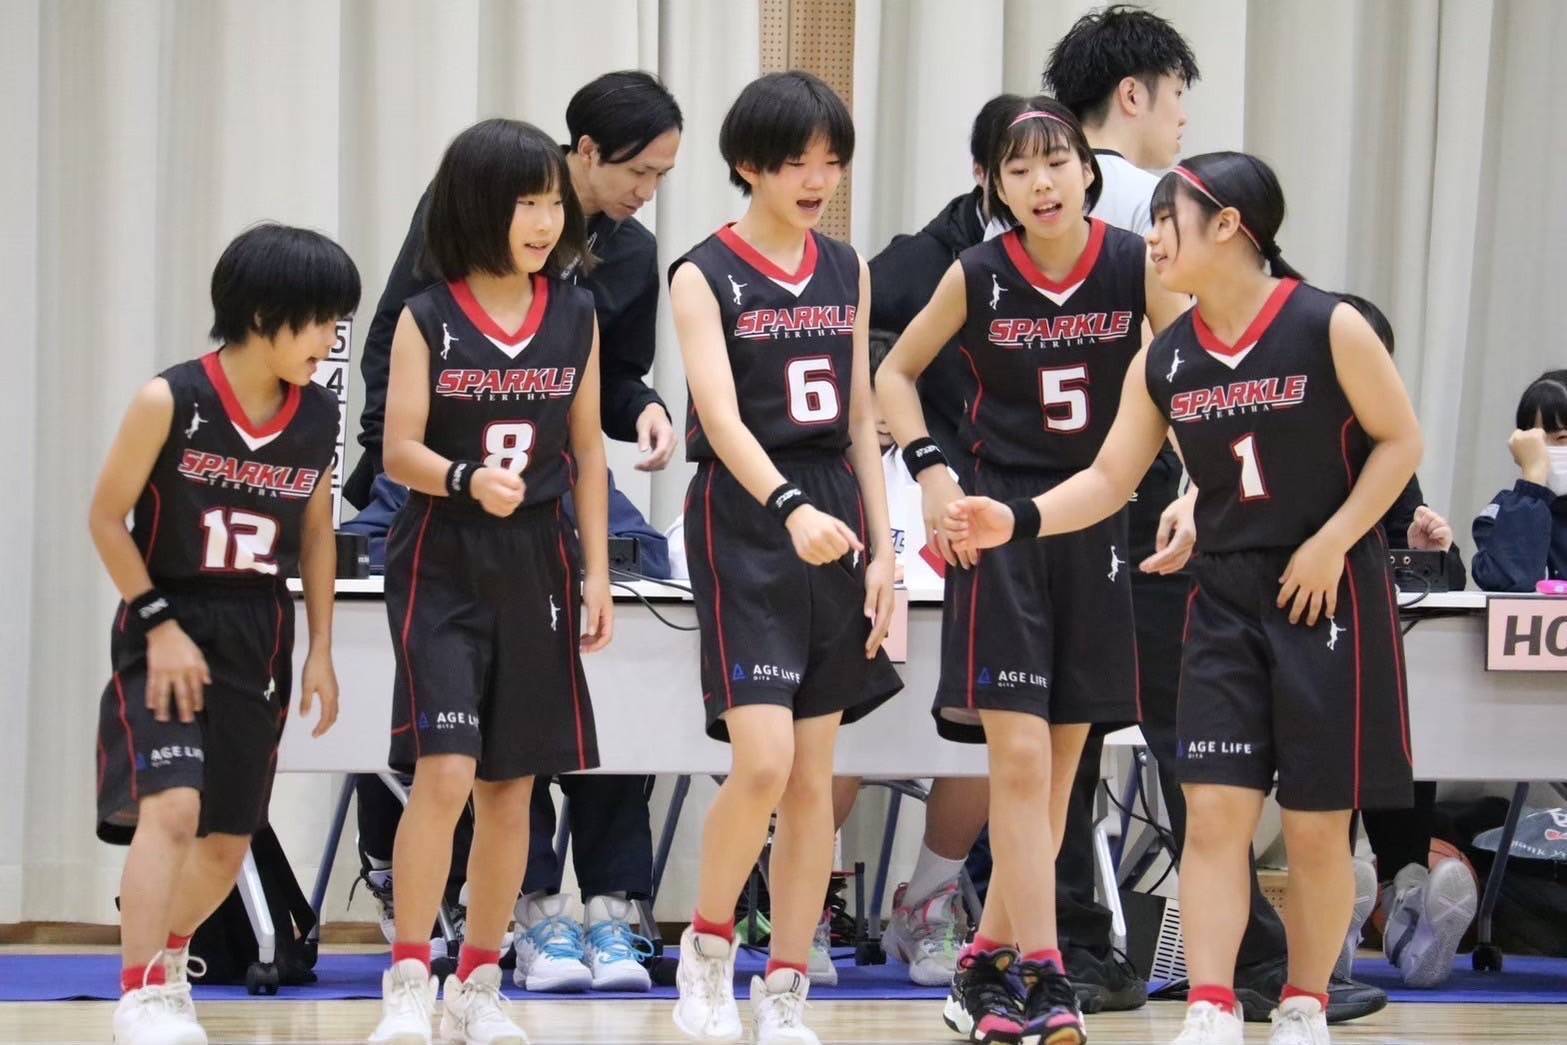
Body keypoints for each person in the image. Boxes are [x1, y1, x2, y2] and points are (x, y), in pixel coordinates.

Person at [942, 151, 1425, 1045]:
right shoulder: (1165, 356)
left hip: (1324, 593)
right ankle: (1209, 1004)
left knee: (1316, 827)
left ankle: (1303, 1003)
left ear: (1228, 226)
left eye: (1167, 220)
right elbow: (1107, 479)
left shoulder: (1326, 324)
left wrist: (1331, 540)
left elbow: (1400, 442)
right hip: (1223, 599)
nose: (1152, 237)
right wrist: (1014, 518)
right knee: (1211, 814)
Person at [348, 70, 682, 996]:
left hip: (541, 505)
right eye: (638, 171)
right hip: (436, 496)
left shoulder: (611, 271)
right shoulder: (448, 265)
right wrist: (433, 468)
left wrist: (646, 411)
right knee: (445, 758)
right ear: (586, 153)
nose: (646, 191)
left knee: (638, 577)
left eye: (663, 176)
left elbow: (598, 413)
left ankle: (594, 907)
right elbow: (394, 382)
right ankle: (427, 933)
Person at [878, 98, 1187, 1045]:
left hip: (1097, 522)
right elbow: (893, 374)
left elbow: (1189, 378)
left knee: (1057, 779)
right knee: (1017, 759)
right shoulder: (977, 273)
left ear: (1088, 171)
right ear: (995, 188)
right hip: (997, 523)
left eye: (1055, 162)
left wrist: (1194, 487)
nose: (1040, 183)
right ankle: (1045, 973)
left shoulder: (1135, 265)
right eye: (1018, 170)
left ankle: (981, 964)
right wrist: (931, 472)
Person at [668, 71, 901, 1045]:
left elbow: (859, 414)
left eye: (831, 161)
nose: (817, 179)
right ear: (748, 165)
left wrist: (884, 550)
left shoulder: (847, 268)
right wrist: (789, 505)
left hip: (834, 512)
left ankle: (787, 987)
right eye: (798, 161)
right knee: (762, 760)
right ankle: (707, 948)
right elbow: (719, 417)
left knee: (814, 779)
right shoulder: (701, 273)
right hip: (747, 514)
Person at [368, 118, 611, 1045]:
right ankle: (407, 979)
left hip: (539, 559)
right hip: (442, 554)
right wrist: (465, 477)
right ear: (477, 208)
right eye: (525, 204)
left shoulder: (576, 312)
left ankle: (478, 983)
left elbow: (588, 452)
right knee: (445, 771)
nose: (545, 222)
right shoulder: (427, 316)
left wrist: (595, 572)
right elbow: (397, 449)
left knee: (512, 788)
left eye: (552, 202)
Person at [89, 223, 357, 1045]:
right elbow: (105, 518)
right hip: (168, 616)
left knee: (227, 840)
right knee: (172, 808)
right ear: (264, 312)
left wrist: (321, 647)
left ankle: (171, 960)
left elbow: (317, 533)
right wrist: (159, 623)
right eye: (320, 320)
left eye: (337, 323)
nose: (329, 339)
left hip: (259, 626)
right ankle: (139, 991)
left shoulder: (317, 414)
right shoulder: (169, 399)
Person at [803, 92, 1027, 992]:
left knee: (986, 727)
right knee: (837, 733)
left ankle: (927, 900)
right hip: (859, 597)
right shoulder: (913, 267)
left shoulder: (959, 469)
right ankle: (801, 899)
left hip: (960, 586)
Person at [1043, 5, 1209, 1014]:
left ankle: (1071, 943)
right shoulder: (1168, 203)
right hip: (1143, 485)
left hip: (1045, 489)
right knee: (1194, 725)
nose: (1184, 119)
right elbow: (1197, 355)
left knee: (1064, 731)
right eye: (1178, 96)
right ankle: (1243, 956)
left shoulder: (1020, 200)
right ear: (1135, 94)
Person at [1472, 370, 1567, 591]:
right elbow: (1508, 582)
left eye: (1562, 437)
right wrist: (1533, 482)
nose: (1545, 451)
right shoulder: (1504, 512)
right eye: (1536, 442)